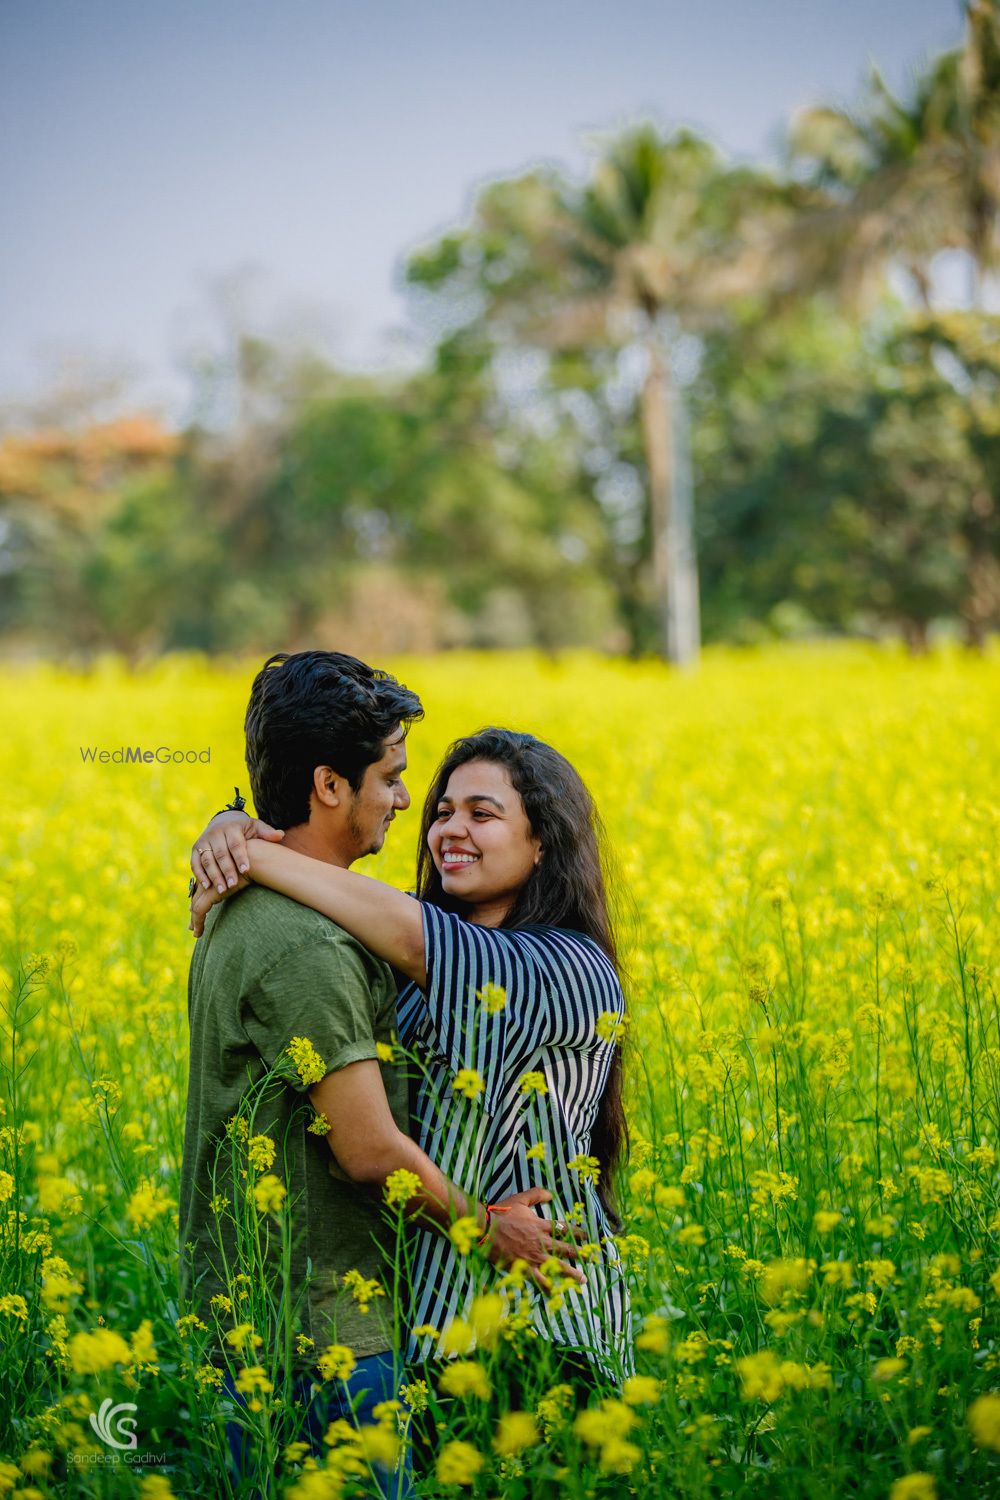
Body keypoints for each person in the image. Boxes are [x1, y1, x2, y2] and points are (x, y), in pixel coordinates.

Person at [180, 654, 578, 1497]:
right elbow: (367, 1150)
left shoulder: (244, 905)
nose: (406, 802)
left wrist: (235, 829)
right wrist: (486, 1228)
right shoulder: (309, 945)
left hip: (255, 1323)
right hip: (324, 1336)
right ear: (330, 785)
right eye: (395, 778)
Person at [190, 723, 634, 1396]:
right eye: (442, 812)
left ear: (544, 843)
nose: (448, 830)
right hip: (436, 1326)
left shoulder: (570, 967)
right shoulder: (413, 975)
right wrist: (230, 828)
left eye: (482, 815)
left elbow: (414, 933)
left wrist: (245, 851)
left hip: (543, 1316)